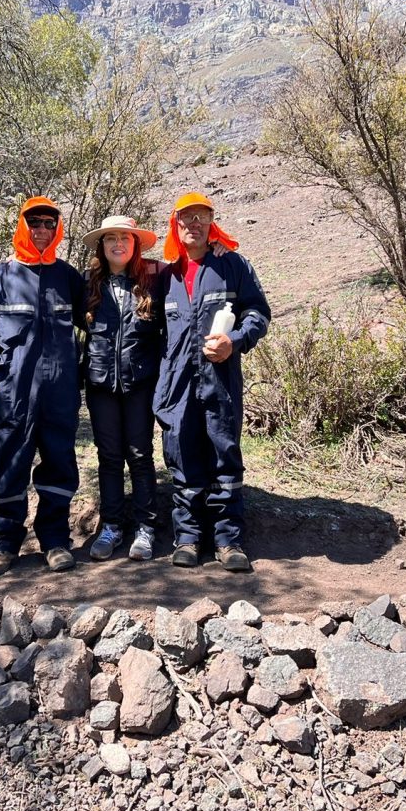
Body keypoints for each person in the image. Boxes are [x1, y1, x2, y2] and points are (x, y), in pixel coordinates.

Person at [154, 192, 271, 571]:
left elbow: (258, 313)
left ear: (211, 222)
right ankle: (187, 537)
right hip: (176, 383)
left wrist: (234, 342)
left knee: (224, 454)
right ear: (176, 225)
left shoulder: (232, 265)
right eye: (185, 218)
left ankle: (227, 540)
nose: (193, 225)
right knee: (181, 455)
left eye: (201, 217)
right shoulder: (165, 275)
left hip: (220, 378)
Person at [0, 197, 86, 576]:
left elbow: (101, 318)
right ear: (23, 225)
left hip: (60, 393)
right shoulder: (1, 275)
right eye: (34, 222)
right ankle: (3, 545)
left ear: (57, 230)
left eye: (48, 224)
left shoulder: (67, 277)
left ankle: (55, 541)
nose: (41, 229)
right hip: (14, 393)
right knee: (11, 464)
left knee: (59, 465)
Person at [80, 215, 162, 562]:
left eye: (125, 238)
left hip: (140, 383)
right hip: (100, 384)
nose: (118, 244)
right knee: (109, 457)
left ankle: (146, 527)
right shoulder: (85, 283)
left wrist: (217, 249)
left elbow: (193, 267)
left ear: (136, 244)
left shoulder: (156, 279)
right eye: (110, 238)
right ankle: (111, 526)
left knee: (141, 455)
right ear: (102, 245)